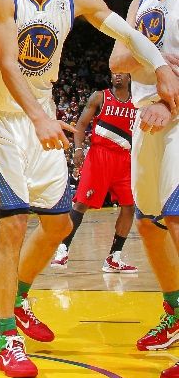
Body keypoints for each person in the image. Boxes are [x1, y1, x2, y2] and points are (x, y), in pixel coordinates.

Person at [0, 0, 179, 378]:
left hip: (41, 111)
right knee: (13, 227)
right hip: (1, 118)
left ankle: (19, 297)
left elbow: (126, 34)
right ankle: (8, 335)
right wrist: (40, 118)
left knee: (58, 224)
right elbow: (8, 63)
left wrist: (160, 65)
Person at [109, 0, 179, 378]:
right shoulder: (142, 0)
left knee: (176, 219)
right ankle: (173, 312)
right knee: (147, 222)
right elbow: (117, 62)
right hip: (145, 115)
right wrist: (157, 69)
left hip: (175, 118)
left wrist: (170, 98)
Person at [51, 72, 138, 272]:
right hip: (100, 155)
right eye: (114, 71)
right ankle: (63, 249)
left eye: (121, 72)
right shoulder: (100, 96)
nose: (117, 75)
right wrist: (79, 149)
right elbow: (81, 125)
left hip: (125, 158)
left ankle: (114, 257)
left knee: (129, 206)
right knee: (81, 203)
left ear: (129, 77)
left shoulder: (138, 101)